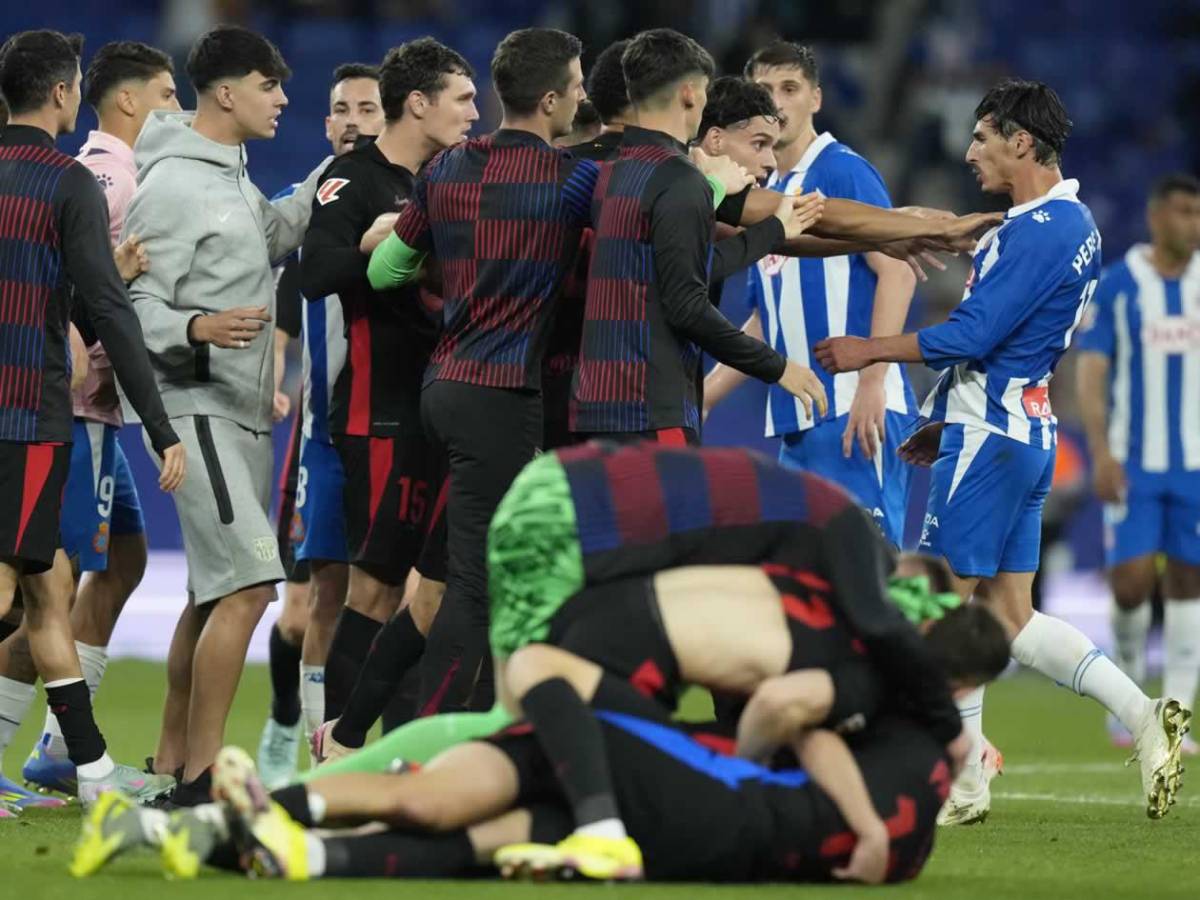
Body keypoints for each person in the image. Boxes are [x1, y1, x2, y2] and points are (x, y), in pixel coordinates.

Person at [813, 79, 1189, 823]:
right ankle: (1138, 717)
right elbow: (1008, 347)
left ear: (1022, 142)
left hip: (991, 439)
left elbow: (972, 336)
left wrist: (869, 350)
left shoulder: (1037, 230)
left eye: (982, 138)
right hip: (1018, 431)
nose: (968, 151)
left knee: (935, 611)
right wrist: (941, 417)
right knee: (1009, 617)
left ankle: (941, 770)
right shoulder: (1073, 224)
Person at [125, 24, 326, 805]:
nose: (284, 98)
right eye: (269, 85)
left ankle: (174, 760)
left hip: (240, 407)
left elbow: (271, 236)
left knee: (211, 594)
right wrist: (196, 329)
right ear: (226, 93)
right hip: (194, 401)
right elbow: (132, 302)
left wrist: (332, 175)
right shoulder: (174, 182)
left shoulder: (232, 176)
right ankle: (205, 778)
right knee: (250, 587)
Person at [0, 29, 184, 807]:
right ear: (63, 94)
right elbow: (108, 310)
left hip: (26, 410)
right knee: (18, 589)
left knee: (42, 596)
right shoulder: (68, 182)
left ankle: (91, 769)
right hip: (28, 416)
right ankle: (91, 769)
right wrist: (163, 425)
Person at [299, 37, 477, 761]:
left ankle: (400, 759)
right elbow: (314, 274)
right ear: (418, 104)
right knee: (374, 593)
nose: (474, 113)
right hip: (381, 413)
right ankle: (337, 757)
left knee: (428, 596)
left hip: (450, 409)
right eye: (462, 99)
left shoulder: (455, 178)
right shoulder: (354, 179)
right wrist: (382, 242)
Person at [706, 43, 919, 548]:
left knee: (870, 570)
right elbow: (768, 316)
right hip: (800, 413)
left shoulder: (841, 169)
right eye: (765, 90)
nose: (776, 102)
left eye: (790, 88)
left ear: (816, 99)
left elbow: (898, 273)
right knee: (813, 575)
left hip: (856, 406)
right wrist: (708, 393)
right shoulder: (767, 192)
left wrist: (873, 383)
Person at [570, 30, 828, 445]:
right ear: (689, 94)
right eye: (706, 91)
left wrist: (773, 231)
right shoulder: (681, 180)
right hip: (652, 410)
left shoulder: (615, 171)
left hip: (595, 409)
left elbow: (680, 269)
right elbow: (687, 306)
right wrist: (778, 367)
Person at [255, 61, 386, 789]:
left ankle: (324, 750)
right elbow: (281, 309)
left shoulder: (409, 191)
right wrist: (272, 382)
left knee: (362, 592)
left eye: (366, 107)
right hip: (324, 427)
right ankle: (287, 726)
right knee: (306, 603)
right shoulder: (305, 204)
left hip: (388, 420)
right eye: (340, 108)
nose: (352, 119)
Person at [1075, 173, 1200, 750]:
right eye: (1184, 212)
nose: (1193, 224)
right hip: (1133, 461)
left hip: (1195, 465)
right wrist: (1100, 452)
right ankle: (1126, 686)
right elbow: (1093, 372)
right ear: (1156, 217)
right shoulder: (1121, 285)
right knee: (1129, 586)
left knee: (1187, 581)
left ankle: (1174, 718)